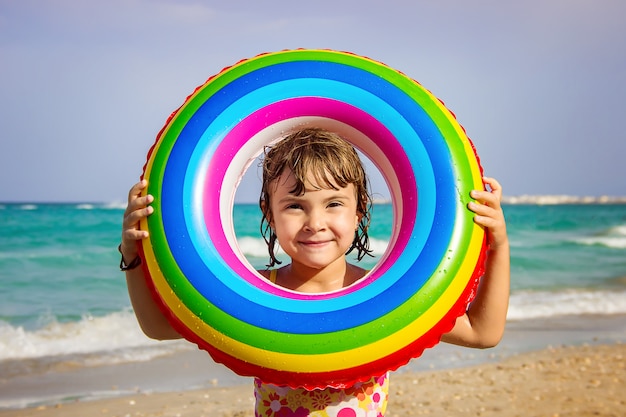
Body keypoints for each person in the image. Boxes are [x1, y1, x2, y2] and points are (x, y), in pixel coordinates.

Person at [120, 128, 510, 416]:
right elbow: (158, 326)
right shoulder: (252, 291)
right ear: (269, 215)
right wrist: (133, 252)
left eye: (334, 203)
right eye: (294, 206)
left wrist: (499, 246)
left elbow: (483, 332)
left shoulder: (386, 294)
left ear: (360, 212)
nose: (314, 222)